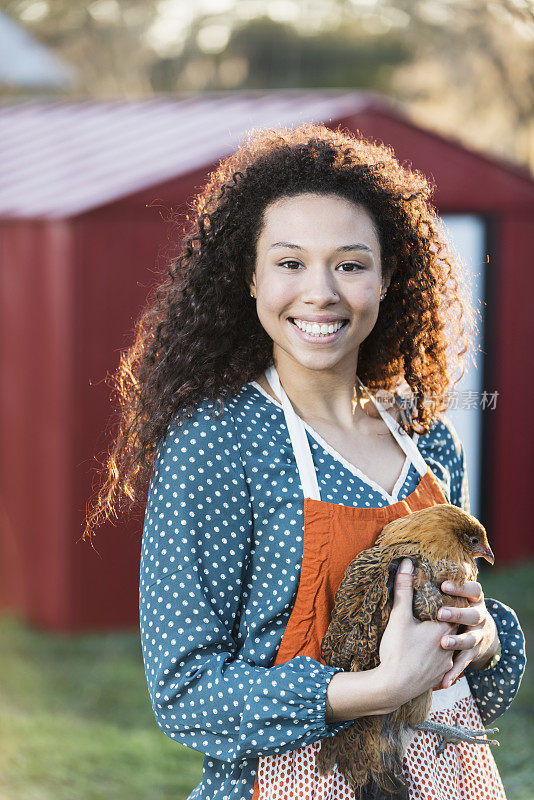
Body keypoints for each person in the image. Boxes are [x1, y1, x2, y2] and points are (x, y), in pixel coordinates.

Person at [85, 124, 526, 799]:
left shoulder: (427, 439)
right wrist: (375, 688)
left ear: (385, 280)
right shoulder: (218, 443)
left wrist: (483, 639)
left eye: (350, 264)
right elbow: (185, 693)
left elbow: (452, 673)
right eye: (290, 262)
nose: (320, 292)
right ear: (251, 278)